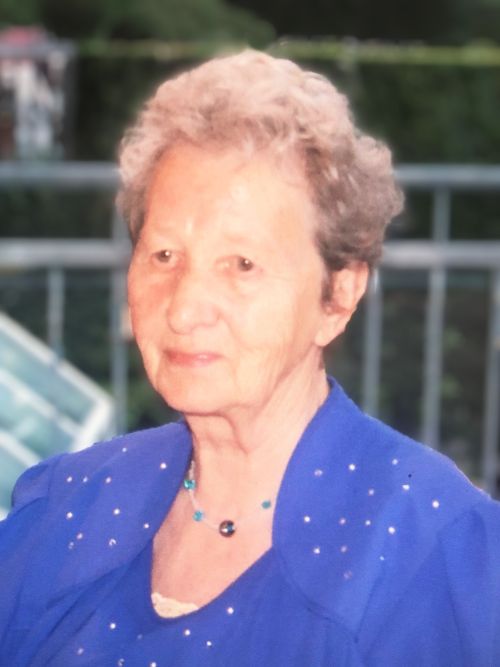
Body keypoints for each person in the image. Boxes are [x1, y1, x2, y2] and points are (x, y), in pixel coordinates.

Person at [1, 50, 499, 667]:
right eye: (163, 255)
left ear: (338, 296)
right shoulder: (66, 506)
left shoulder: (433, 553)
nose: (184, 308)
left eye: (241, 265)